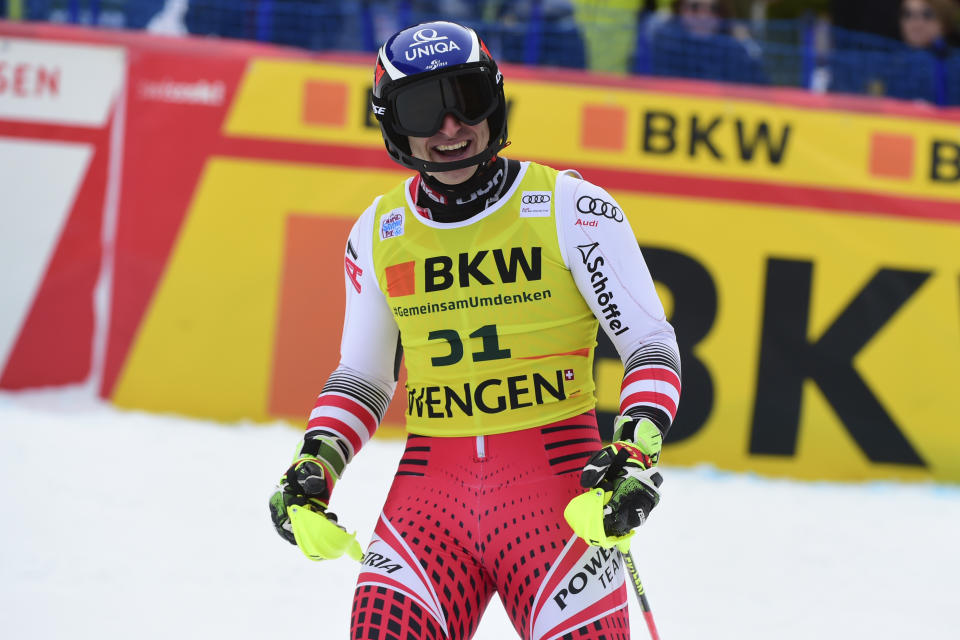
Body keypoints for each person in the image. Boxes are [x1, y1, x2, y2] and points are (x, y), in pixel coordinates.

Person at [268, 21, 682, 640]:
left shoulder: (573, 208)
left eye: (467, 98)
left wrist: (634, 451)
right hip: (427, 512)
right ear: (392, 123)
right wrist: (312, 466)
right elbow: (362, 380)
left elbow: (650, 347)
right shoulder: (377, 231)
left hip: (560, 507)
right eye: (422, 110)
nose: (450, 128)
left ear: (496, 99)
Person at [647, 0, 768, 85]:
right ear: (680, 9)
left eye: (713, 9)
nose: (703, 15)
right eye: (695, 7)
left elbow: (759, 86)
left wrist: (747, 45)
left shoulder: (736, 50)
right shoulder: (663, 44)